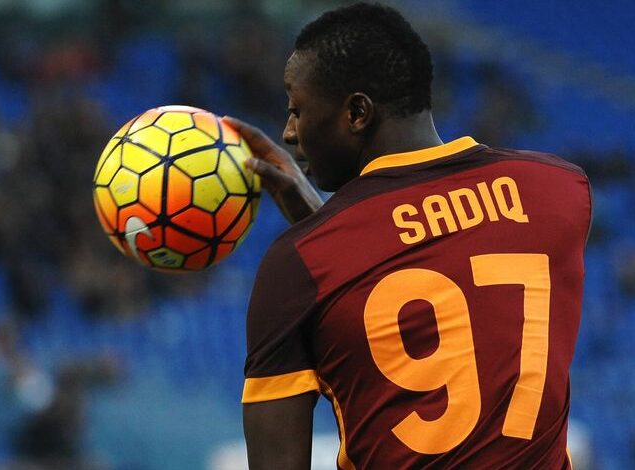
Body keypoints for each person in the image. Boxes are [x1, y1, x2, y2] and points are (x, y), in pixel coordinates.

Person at [222, 3, 592, 469]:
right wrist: (324, 227)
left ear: (357, 113)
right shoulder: (558, 191)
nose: (289, 132)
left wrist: (319, 237)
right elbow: (443, 249)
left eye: (297, 110)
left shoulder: (298, 264)